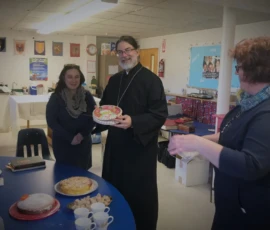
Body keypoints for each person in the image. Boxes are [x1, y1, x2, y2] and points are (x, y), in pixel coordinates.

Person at [168, 36, 270, 230]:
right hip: (230, 203)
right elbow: (230, 135)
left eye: (238, 67)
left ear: (251, 71)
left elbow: (251, 165)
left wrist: (200, 145)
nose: (237, 72)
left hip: (250, 211)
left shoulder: (266, 111)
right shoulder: (249, 102)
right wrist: (197, 141)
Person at [92, 35, 168, 230]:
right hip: (116, 145)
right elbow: (105, 107)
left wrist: (134, 121)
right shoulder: (115, 79)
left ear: (137, 52)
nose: (124, 55)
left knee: (138, 194)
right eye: (120, 52)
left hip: (139, 149)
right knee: (114, 188)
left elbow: (160, 114)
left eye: (128, 50)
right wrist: (98, 118)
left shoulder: (152, 81)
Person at [46, 64, 96, 170]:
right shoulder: (56, 97)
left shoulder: (87, 96)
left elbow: (94, 117)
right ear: (64, 78)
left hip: (83, 143)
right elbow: (51, 122)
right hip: (63, 144)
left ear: (80, 78)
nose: (73, 80)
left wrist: (82, 135)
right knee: (64, 176)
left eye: (76, 76)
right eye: (70, 77)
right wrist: (70, 138)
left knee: (82, 178)